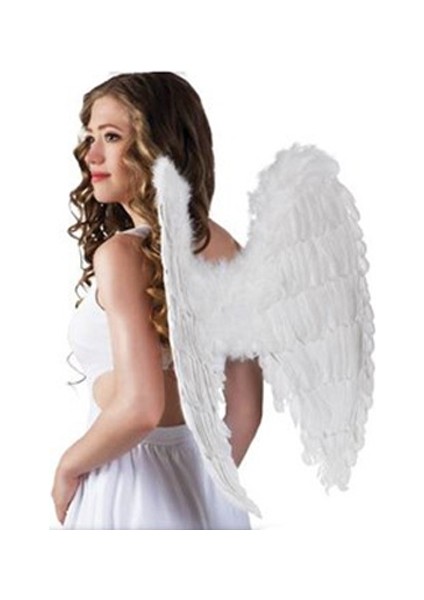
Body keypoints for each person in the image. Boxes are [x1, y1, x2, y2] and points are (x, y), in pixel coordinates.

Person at [51, 71, 264, 529]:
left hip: (128, 481)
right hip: (207, 486)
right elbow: (246, 411)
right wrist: (207, 487)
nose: (91, 155)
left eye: (112, 137)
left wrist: (68, 467)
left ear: (158, 145)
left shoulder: (122, 255)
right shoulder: (227, 248)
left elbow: (141, 407)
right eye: (90, 136)